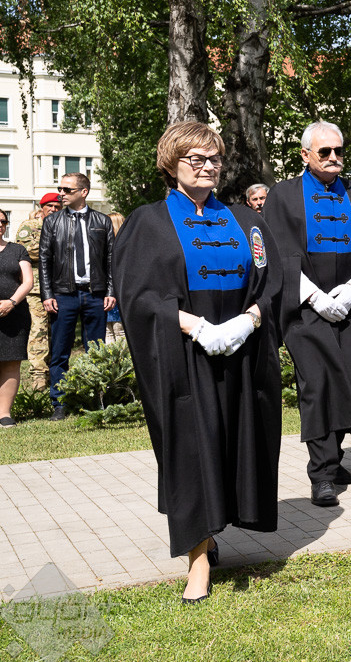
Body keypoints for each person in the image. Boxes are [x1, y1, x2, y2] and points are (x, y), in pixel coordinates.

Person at [114, 121, 281, 603]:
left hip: (241, 351)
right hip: (184, 355)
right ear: (172, 164)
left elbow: (272, 280)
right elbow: (137, 295)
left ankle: (217, 530)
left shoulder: (245, 220)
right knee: (192, 450)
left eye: (214, 158)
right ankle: (198, 561)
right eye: (196, 159)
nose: (208, 166)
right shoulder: (148, 222)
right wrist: (197, 327)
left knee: (234, 443)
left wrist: (248, 320)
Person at [262, 120, 351, 508]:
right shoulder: (284, 195)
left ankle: (334, 457)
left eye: (338, 151)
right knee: (317, 385)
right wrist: (314, 297)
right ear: (305, 154)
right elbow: (279, 252)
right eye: (324, 151)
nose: (333, 157)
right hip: (305, 309)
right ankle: (322, 474)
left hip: (350, 305)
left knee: (349, 380)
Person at [39, 172, 116, 421]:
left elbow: (111, 260)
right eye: (60, 189)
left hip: (96, 295)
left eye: (67, 189)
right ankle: (60, 403)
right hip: (63, 295)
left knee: (96, 351)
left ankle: (95, 400)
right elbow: (44, 260)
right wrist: (47, 294)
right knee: (60, 351)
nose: (61, 193)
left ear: (84, 192)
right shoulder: (52, 222)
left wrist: (111, 291)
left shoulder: (102, 221)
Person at [13, 192, 61, 391]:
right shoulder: (30, 226)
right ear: (42, 207)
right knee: (39, 331)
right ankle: (39, 378)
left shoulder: (62, 225)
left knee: (55, 332)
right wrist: (57, 248)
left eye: (57, 207)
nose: (53, 210)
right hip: (36, 289)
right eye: (50, 206)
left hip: (59, 287)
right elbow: (25, 251)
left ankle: (54, 374)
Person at [0, 210, 34, 428]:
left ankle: (4, 414)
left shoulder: (17, 250)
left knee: (11, 363)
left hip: (14, 315)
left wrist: (11, 302)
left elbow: (28, 281)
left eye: (3, 221)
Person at [105, 213, 126, 343]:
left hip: (117, 297)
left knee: (117, 331)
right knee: (109, 331)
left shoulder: (122, 249)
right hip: (110, 296)